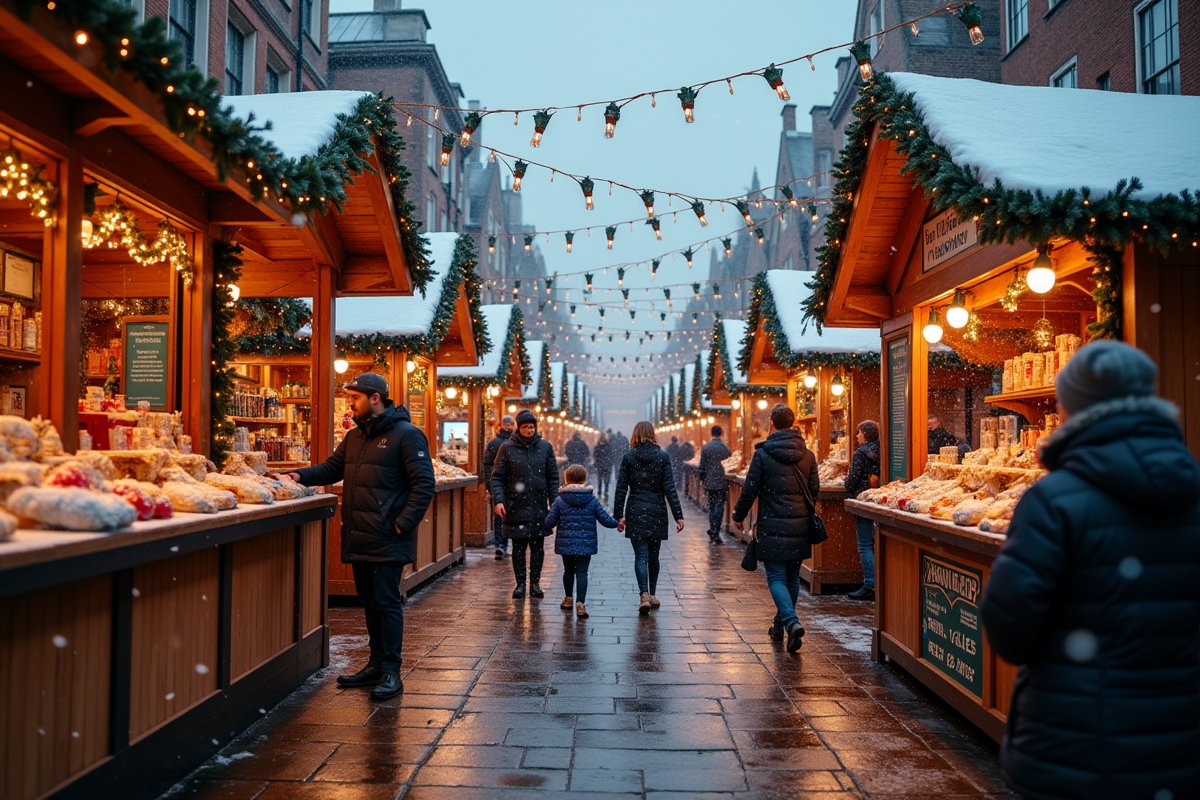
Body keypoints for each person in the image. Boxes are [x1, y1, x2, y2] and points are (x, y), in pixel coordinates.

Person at [980, 341, 1200, 800]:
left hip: (1073, 741)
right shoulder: (1191, 491)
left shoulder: (1054, 500)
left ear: (1073, 409)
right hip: (1178, 742)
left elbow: (1009, 629)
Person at [281, 373, 434, 701]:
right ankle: (376, 664)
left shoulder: (407, 436)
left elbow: (424, 485)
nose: (349, 403)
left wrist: (401, 524)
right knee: (369, 603)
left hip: (388, 537)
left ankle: (392, 671)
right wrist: (298, 476)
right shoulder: (354, 437)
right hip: (360, 535)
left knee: (387, 603)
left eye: (355, 398)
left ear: (375, 398)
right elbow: (331, 469)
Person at [732, 404, 819, 654]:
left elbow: (749, 489)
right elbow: (814, 490)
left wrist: (739, 515)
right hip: (800, 524)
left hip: (771, 523)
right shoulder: (808, 455)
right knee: (792, 577)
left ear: (772, 423)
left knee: (775, 577)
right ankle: (780, 626)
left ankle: (791, 622)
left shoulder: (763, 454)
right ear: (793, 424)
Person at [613, 421, 685, 614]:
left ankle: (643, 594)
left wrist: (618, 515)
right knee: (654, 556)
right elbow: (670, 487)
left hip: (636, 507)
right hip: (657, 510)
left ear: (635, 435)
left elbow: (621, 488)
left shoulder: (629, 457)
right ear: (652, 434)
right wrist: (678, 515)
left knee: (640, 555)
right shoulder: (663, 457)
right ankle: (652, 594)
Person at [491, 409, 559, 600]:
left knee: (537, 547)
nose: (529, 430)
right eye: (525, 427)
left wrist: (554, 502)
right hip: (515, 504)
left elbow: (553, 477)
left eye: (531, 427)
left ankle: (535, 584)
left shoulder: (545, 447)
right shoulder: (507, 448)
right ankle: (520, 583)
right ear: (519, 428)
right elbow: (497, 477)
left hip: (538, 506)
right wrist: (499, 500)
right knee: (518, 547)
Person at [544, 464, 619, 619]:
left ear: (567, 478)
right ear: (584, 479)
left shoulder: (560, 500)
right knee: (582, 572)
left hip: (566, 543)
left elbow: (550, 522)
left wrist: (546, 514)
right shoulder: (591, 499)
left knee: (569, 570)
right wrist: (618, 523)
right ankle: (580, 603)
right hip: (585, 543)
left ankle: (568, 599)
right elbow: (604, 519)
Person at [844, 420, 881, 601]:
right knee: (878, 542)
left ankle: (870, 584)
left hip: (864, 500)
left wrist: (847, 484)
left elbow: (852, 480)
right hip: (880, 500)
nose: (857, 436)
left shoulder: (860, 453)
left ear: (865, 434)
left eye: (859, 433)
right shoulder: (883, 449)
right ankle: (880, 582)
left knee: (865, 544)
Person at [482, 414, 515, 560]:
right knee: (500, 514)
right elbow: (487, 465)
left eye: (510, 423)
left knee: (509, 515)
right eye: (506, 423)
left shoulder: (513, 442)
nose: (508, 425)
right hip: (501, 484)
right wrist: (490, 485)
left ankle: (504, 544)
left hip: (514, 486)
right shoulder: (495, 443)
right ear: (501, 425)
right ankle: (500, 545)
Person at [697, 425, 732, 543]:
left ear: (711, 433)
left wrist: (702, 479)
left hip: (710, 481)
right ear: (721, 433)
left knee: (712, 506)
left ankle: (713, 528)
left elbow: (702, 466)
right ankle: (715, 530)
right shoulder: (725, 449)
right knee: (720, 506)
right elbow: (729, 464)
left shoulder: (706, 448)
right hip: (722, 481)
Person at [592, 433, 613, 500]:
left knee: (600, 479)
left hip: (600, 465)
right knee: (606, 480)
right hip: (606, 465)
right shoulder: (609, 446)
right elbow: (611, 456)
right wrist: (610, 464)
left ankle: (599, 491)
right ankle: (606, 491)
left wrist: (596, 463)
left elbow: (595, 456)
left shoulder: (597, 446)